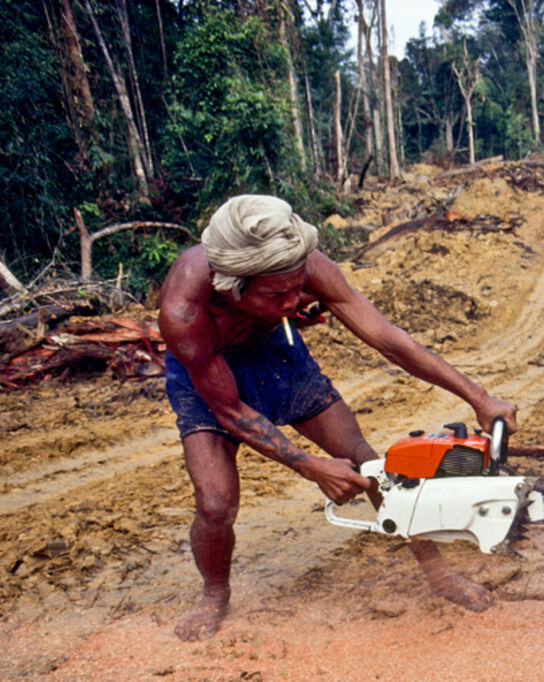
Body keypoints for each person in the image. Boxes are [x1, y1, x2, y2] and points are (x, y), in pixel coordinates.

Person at [158, 194, 517, 641]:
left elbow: (388, 339)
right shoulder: (184, 311)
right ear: (232, 286)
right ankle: (214, 594)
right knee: (215, 504)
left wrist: (478, 397)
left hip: (276, 352)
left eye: (298, 287)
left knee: (370, 465)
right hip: (207, 370)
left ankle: (438, 572)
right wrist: (309, 465)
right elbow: (229, 409)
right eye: (277, 294)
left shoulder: (304, 264)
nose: (294, 301)